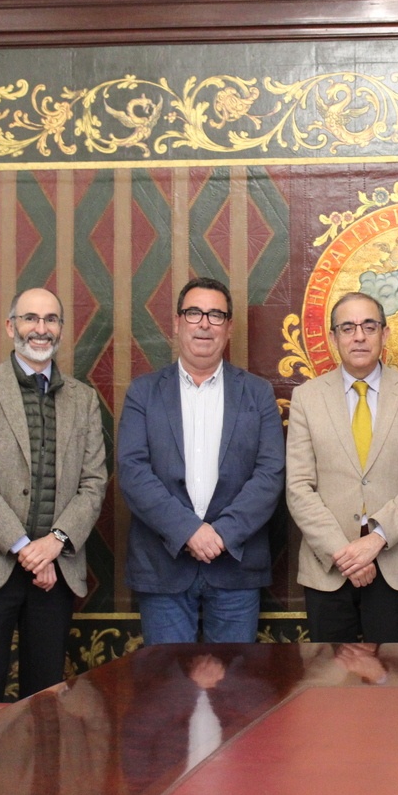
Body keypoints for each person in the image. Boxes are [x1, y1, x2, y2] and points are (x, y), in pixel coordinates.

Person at [0, 286, 108, 702]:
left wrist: (54, 543)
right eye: (30, 318)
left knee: (46, 701)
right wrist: (25, 549)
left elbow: (94, 484)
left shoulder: (84, 399)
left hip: (56, 571)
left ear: (61, 329)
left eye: (51, 319)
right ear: (10, 326)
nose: (41, 328)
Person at [117, 276, 285, 644]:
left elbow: (270, 474)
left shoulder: (258, 393)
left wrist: (223, 534)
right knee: (167, 679)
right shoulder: (143, 392)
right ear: (177, 323)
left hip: (236, 566)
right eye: (194, 313)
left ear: (229, 327)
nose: (204, 324)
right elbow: (133, 471)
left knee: (234, 679)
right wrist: (188, 531)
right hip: (163, 566)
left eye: (215, 315)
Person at [286, 291, 398, 642]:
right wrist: (343, 554)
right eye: (348, 328)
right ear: (333, 338)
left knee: (392, 673)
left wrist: (375, 540)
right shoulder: (307, 398)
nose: (359, 336)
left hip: (394, 564)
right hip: (328, 567)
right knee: (329, 673)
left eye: (369, 326)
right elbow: (298, 487)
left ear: (385, 334)